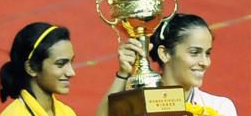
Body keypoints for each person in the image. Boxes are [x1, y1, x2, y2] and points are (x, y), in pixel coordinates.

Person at [96, 13, 237, 116]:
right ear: (165, 54)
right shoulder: (138, 103)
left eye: (207, 53)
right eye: (194, 52)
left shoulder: (220, 108)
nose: (205, 63)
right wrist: (123, 73)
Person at [0, 22, 77, 116]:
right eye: (60, 64)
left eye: (71, 62)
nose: (71, 72)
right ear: (31, 68)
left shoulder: (67, 113)